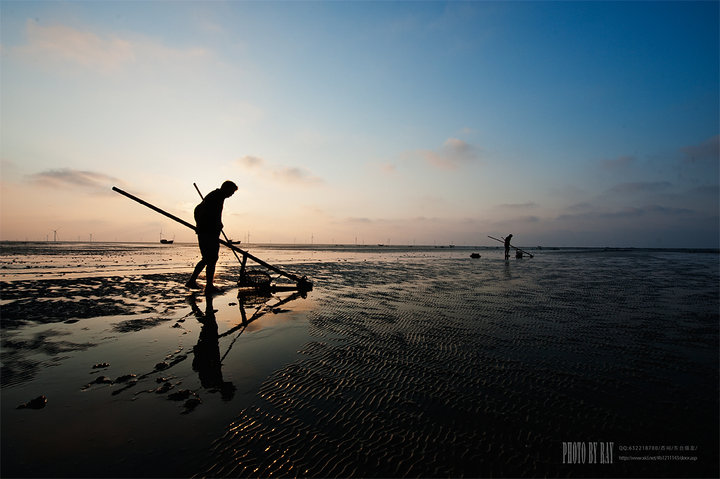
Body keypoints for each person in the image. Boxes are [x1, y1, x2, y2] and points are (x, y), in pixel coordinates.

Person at [186, 180, 238, 294]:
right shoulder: (216, 196)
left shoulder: (218, 196)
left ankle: (192, 281)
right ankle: (209, 286)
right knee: (211, 258)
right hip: (207, 232)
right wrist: (203, 225)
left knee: (207, 258)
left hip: (210, 232)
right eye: (231, 192)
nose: (231, 195)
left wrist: (218, 224)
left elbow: (212, 213)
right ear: (226, 188)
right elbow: (199, 210)